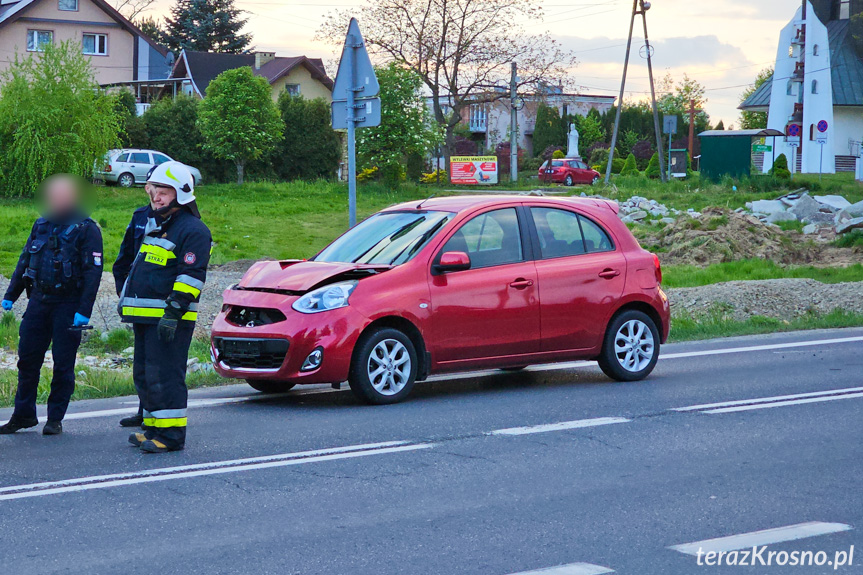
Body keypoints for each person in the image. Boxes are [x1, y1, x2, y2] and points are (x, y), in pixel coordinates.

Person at [0, 175, 103, 435]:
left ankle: (55, 418)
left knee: (63, 363)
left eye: (61, 195)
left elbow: (93, 273)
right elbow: (25, 260)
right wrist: (11, 294)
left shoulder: (87, 228)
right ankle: (23, 415)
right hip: (39, 301)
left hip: (68, 305)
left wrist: (84, 311)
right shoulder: (42, 224)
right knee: (27, 360)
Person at [119, 162, 210, 453]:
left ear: (182, 193)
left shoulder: (193, 230)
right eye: (154, 190)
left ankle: (171, 437)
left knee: (167, 376)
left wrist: (173, 314)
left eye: (164, 191)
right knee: (146, 376)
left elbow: (190, 277)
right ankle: (153, 428)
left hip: (170, 319)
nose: (156, 197)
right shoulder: (159, 228)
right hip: (147, 319)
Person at [112, 199, 157, 429]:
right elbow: (124, 259)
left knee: (156, 364)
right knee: (141, 362)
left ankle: (156, 416)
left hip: (162, 305)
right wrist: (125, 293)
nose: (155, 192)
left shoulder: (179, 221)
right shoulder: (140, 216)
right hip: (139, 303)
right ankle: (143, 411)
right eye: (151, 186)